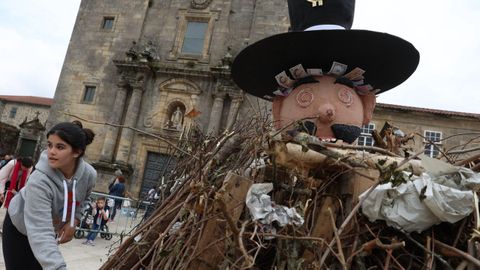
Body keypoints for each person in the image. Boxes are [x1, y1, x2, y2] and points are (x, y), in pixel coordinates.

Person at [2, 121, 96, 270]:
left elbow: (85, 198)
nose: (51, 151)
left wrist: (75, 219)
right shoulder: (40, 180)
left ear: (77, 152)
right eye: (50, 145)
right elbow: (40, 231)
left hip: (48, 230)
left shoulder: (89, 175)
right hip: (19, 229)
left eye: (60, 147)